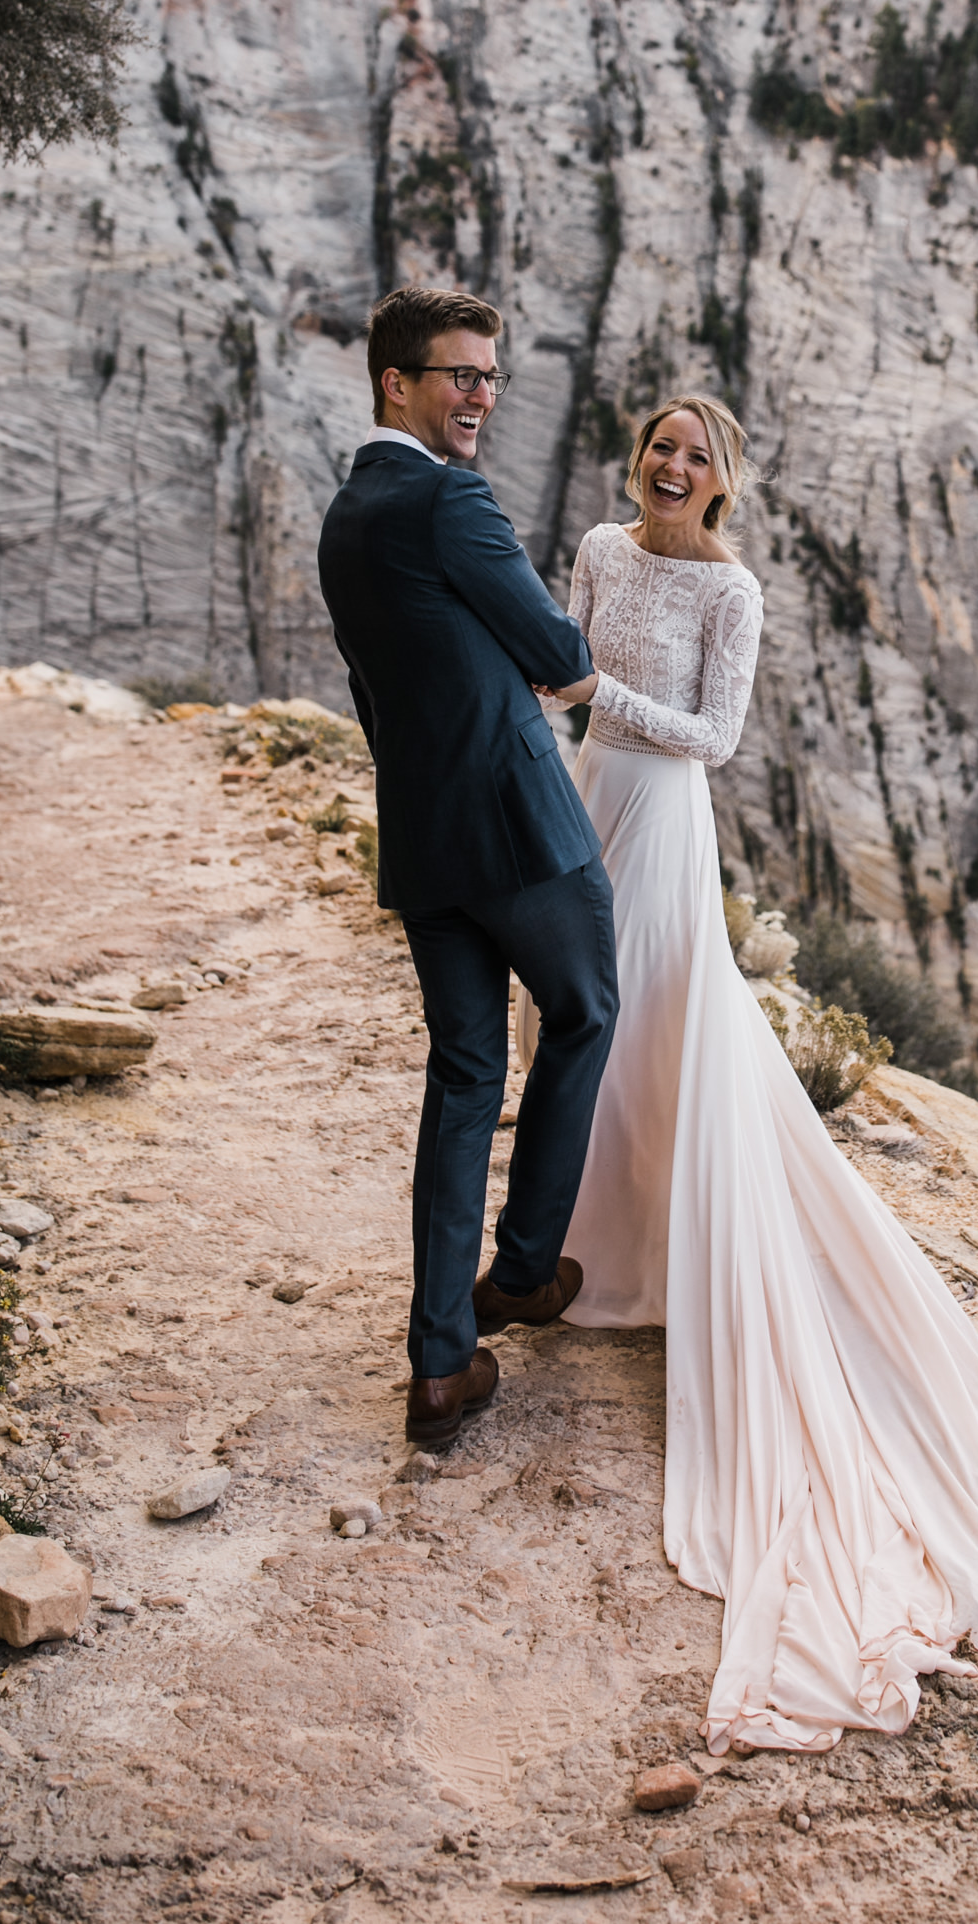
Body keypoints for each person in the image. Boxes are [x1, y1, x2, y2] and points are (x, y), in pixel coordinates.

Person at [524, 391, 978, 1754]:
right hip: (581, 801)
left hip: (661, 818)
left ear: (720, 480)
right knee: (583, 1028)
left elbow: (713, 740)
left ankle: (647, 1257)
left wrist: (598, 695)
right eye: (658, 444)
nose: (671, 465)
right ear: (636, 459)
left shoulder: (733, 589)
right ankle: (580, 1250)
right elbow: (550, 663)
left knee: (650, 1028)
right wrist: (547, 709)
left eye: (695, 455)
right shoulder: (593, 547)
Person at [317, 285, 618, 1451]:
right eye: (460, 374)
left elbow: (372, 690)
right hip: (519, 827)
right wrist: (538, 650)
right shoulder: (449, 498)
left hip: (426, 837)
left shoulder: (350, 513)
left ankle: (440, 1364)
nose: (482, 395)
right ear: (398, 381)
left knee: (460, 1080)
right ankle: (527, 1268)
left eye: (491, 375)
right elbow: (555, 648)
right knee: (588, 1009)